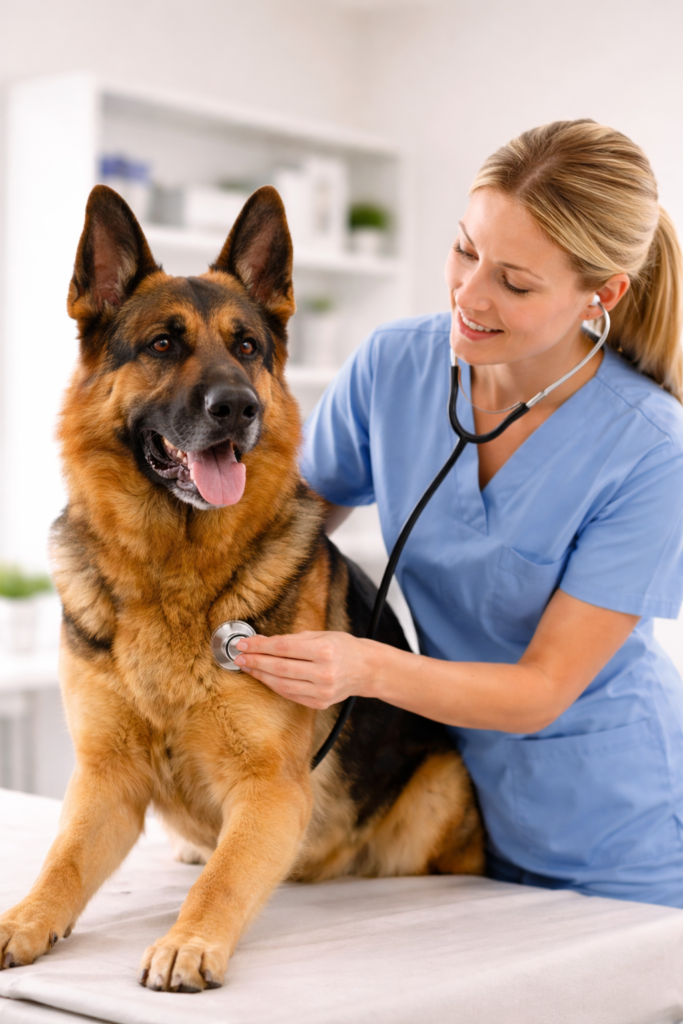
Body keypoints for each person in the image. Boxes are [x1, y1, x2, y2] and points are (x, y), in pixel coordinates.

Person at [234, 120, 683, 907]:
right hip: (454, 804)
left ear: (600, 294)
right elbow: (278, 531)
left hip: (612, 823)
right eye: (464, 251)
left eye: (514, 282)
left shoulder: (650, 449)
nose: (468, 297)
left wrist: (362, 668)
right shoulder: (395, 366)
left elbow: (542, 688)